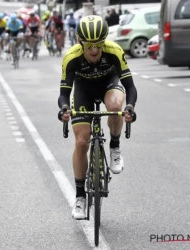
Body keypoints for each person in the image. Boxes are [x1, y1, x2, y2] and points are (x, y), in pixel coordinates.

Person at [57, 15, 137, 219]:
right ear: (79, 41)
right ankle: (80, 196)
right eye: (90, 45)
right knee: (82, 142)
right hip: (83, 90)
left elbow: (130, 86)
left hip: (109, 84)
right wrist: (64, 108)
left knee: (115, 105)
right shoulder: (71, 57)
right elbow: (64, 93)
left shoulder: (114, 51)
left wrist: (130, 107)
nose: (94, 49)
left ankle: (114, 146)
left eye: (99, 44)